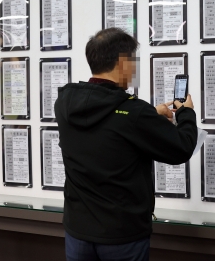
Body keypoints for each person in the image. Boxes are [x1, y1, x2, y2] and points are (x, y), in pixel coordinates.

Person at [55, 28, 197, 261]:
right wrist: (186, 114)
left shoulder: (64, 104)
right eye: (133, 61)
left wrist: (150, 114)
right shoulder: (133, 112)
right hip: (122, 236)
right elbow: (181, 147)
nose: (134, 68)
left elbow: (108, 129)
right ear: (122, 63)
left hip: (77, 231)